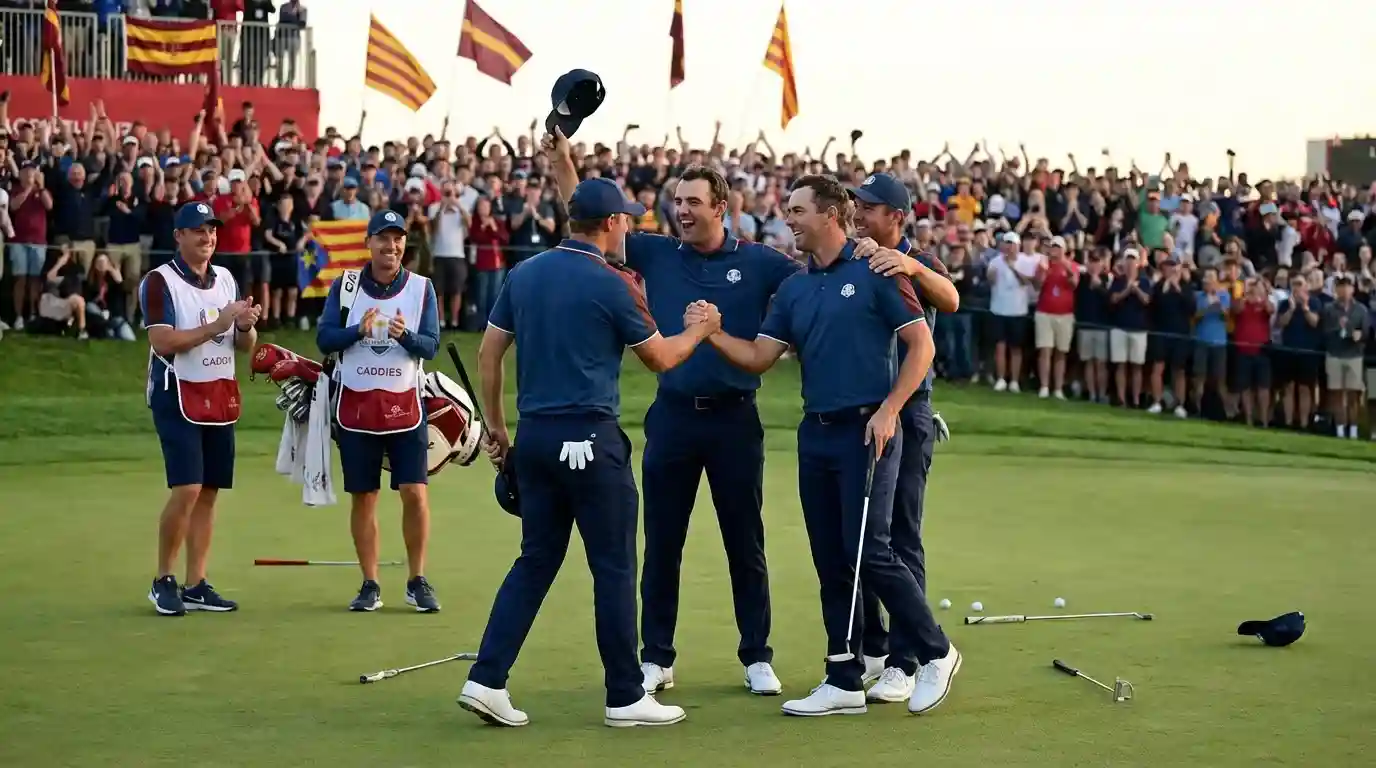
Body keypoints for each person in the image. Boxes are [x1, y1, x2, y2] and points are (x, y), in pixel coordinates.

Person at [545, 126, 799, 697]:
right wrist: (563, 159)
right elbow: (587, 213)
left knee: (745, 540)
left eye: (691, 203)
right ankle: (656, 655)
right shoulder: (655, 251)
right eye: (676, 202)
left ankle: (756, 654)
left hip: (736, 418)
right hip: (674, 416)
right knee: (662, 540)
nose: (680, 211)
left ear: (721, 208)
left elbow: (819, 281)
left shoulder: (761, 262)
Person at [459, 174, 720, 728]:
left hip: (533, 438)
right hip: (590, 440)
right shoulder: (612, 282)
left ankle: (486, 679)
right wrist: (701, 329)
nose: (628, 223)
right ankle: (625, 696)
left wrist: (498, 430)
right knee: (613, 567)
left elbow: (489, 353)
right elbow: (662, 358)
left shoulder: (525, 272)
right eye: (625, 216)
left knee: (535, 560)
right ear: (611, 224)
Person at [703, 174, 961, 718]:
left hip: (868, 429)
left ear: (829, 214)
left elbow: (922, 345)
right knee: (831, 558)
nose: (787, 218)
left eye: (797, 210)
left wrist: (891, 409)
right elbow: (758, 357)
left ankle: (936, 651)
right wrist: (713, 332)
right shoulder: (795, 287)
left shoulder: (878, 270)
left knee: (871, 550)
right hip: (814, 433)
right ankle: (843, 676)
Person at [848, 172, 960, 703]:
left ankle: (907, 659)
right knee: (868, 532)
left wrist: (912, 265)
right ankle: (875, 646)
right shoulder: (855, 256)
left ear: (896, 216)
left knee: (900, 535)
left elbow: (952, 298)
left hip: (909, 413)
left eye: (869, 207)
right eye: (857, 205)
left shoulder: (916, 258)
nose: (859, 214)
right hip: (864, 411)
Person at [316, 209, 443, 613]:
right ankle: (370, 582)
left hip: (405, 405)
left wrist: (405, 335)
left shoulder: (422, 288)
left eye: (398, 239)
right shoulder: (348, 286)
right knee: (364, 497)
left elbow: (431, 345)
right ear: (368, 243)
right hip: (356, 406)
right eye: (383, 239)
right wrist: (360, 330)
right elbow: (324, 338)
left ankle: (416, 578)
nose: (391, 247)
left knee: (415, 493)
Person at [140, 201, 261, 616]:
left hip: (218, 394)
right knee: (188, 487)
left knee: (209, 490)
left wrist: (244, 325)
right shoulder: (159, 282)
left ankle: (197, 582)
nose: (207, 237)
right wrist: (219, 323)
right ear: (178, 236)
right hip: (176, 393)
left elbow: (245, 345)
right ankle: (163, 579)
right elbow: (163, 342)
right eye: (197, 230)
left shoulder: (225, 278)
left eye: (211, 230)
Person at [1321, 275, 1369, 438]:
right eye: (1341, 286)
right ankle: (1340, 430)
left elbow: (1366, 332)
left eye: (1348, 286)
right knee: (1336, 394)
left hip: (1354, 355)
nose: (1344, 290)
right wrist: (1339, 329)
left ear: (1353, 289)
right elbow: (1324, 331)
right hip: (1334, 354)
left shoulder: (1361, 309)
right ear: (1336, 289)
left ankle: (1353, 431)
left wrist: (1359, 335)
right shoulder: (1329, 308)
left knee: (1353, 395)